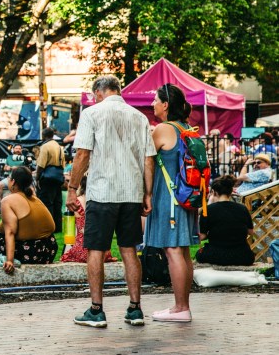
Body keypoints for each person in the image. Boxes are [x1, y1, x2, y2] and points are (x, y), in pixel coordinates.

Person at [67, 75, 154, 328]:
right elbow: (148, 159)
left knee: (96, 249)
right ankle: (135, 308)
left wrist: (72, 188)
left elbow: (83, 153)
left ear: (99, 92)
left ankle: (96, 310)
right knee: (129, 249)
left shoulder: (92, 114)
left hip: (103, 192)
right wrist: (147, 194)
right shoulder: (139, 117)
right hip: (131, 192)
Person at [144, 84, 199, 323]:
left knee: (172, 250)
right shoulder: (186, 127)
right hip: (185, 195)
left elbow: (145, 158)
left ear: (165, 105)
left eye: (156, 100)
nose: (153, 104)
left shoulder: (163, 129)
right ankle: (182, 305)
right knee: (183, 251)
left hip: (169, 196)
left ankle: (180, 308)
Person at [0, 166, 57, 269]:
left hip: (30, 253)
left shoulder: (7, 200)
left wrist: (9, 261)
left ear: (12, 182)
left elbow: (10, 232)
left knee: (0, 239)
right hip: (48, 250)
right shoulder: (34, 198)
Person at [196, 174, 255, 266]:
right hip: (244, 256)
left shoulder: (208, 210)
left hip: (215, 255)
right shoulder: (242, 208)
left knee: (199, 254)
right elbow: (250, 232)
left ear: (214, 192)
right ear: (231, 191)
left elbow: (202, 236)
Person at [60, 177, 116, 264]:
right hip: (103, 251)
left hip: (81, 250)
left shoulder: (75, 202)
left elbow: (71, 231)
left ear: (81, 185)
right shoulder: (102, 202)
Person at [35, 128, 66, 232]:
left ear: (44, 136)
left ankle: (48, 226)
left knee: (46, 202)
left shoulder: (45, 146)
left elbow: (41, 165)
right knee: (57, 202)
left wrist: (37, 178)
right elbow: (63, 164)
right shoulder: (59, 147)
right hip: (58, 176)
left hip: (47, 177)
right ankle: (58, 227)